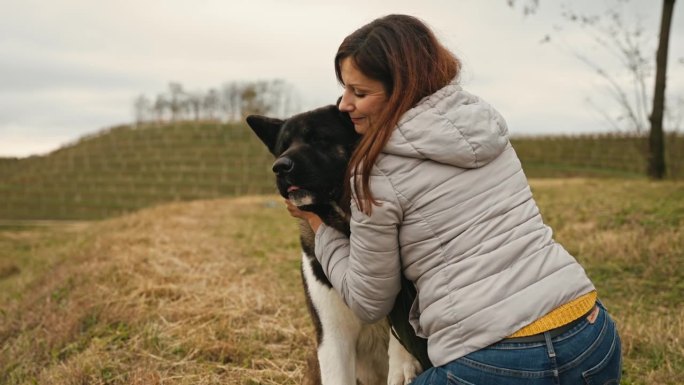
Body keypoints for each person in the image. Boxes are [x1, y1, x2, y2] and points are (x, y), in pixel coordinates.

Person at [285, 14, 622, 385]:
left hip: (500, 366)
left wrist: (319, 229)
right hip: (594, 341)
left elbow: (368, 303)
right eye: (344, 89)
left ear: (398, 90)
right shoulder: (488, 133)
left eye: (359, 93)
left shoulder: (372, 174)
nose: (344, 105)